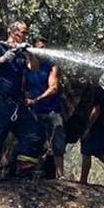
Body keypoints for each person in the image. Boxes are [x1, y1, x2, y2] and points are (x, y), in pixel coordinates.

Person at [0, 20, 42, 186]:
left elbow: (33, 67)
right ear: (13, 31)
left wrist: (30, 53)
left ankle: (25, 169)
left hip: (16, 102)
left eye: (27, 33)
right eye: (24, 32)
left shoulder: (21, 53)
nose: (26, 35)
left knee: (33, 130)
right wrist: (3, 59)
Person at [24, 37, 66, 179]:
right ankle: (35, 172)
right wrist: (25, 99)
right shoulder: (27, 68)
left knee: (57, 142)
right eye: (40, 48)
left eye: (45, 48)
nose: (43, 51)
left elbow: (53, 88)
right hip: (35, 112)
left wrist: (36, 100)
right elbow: (22, 87)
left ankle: (60, 175)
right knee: (35, 141)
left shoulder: (51, 66)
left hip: (52, 111)